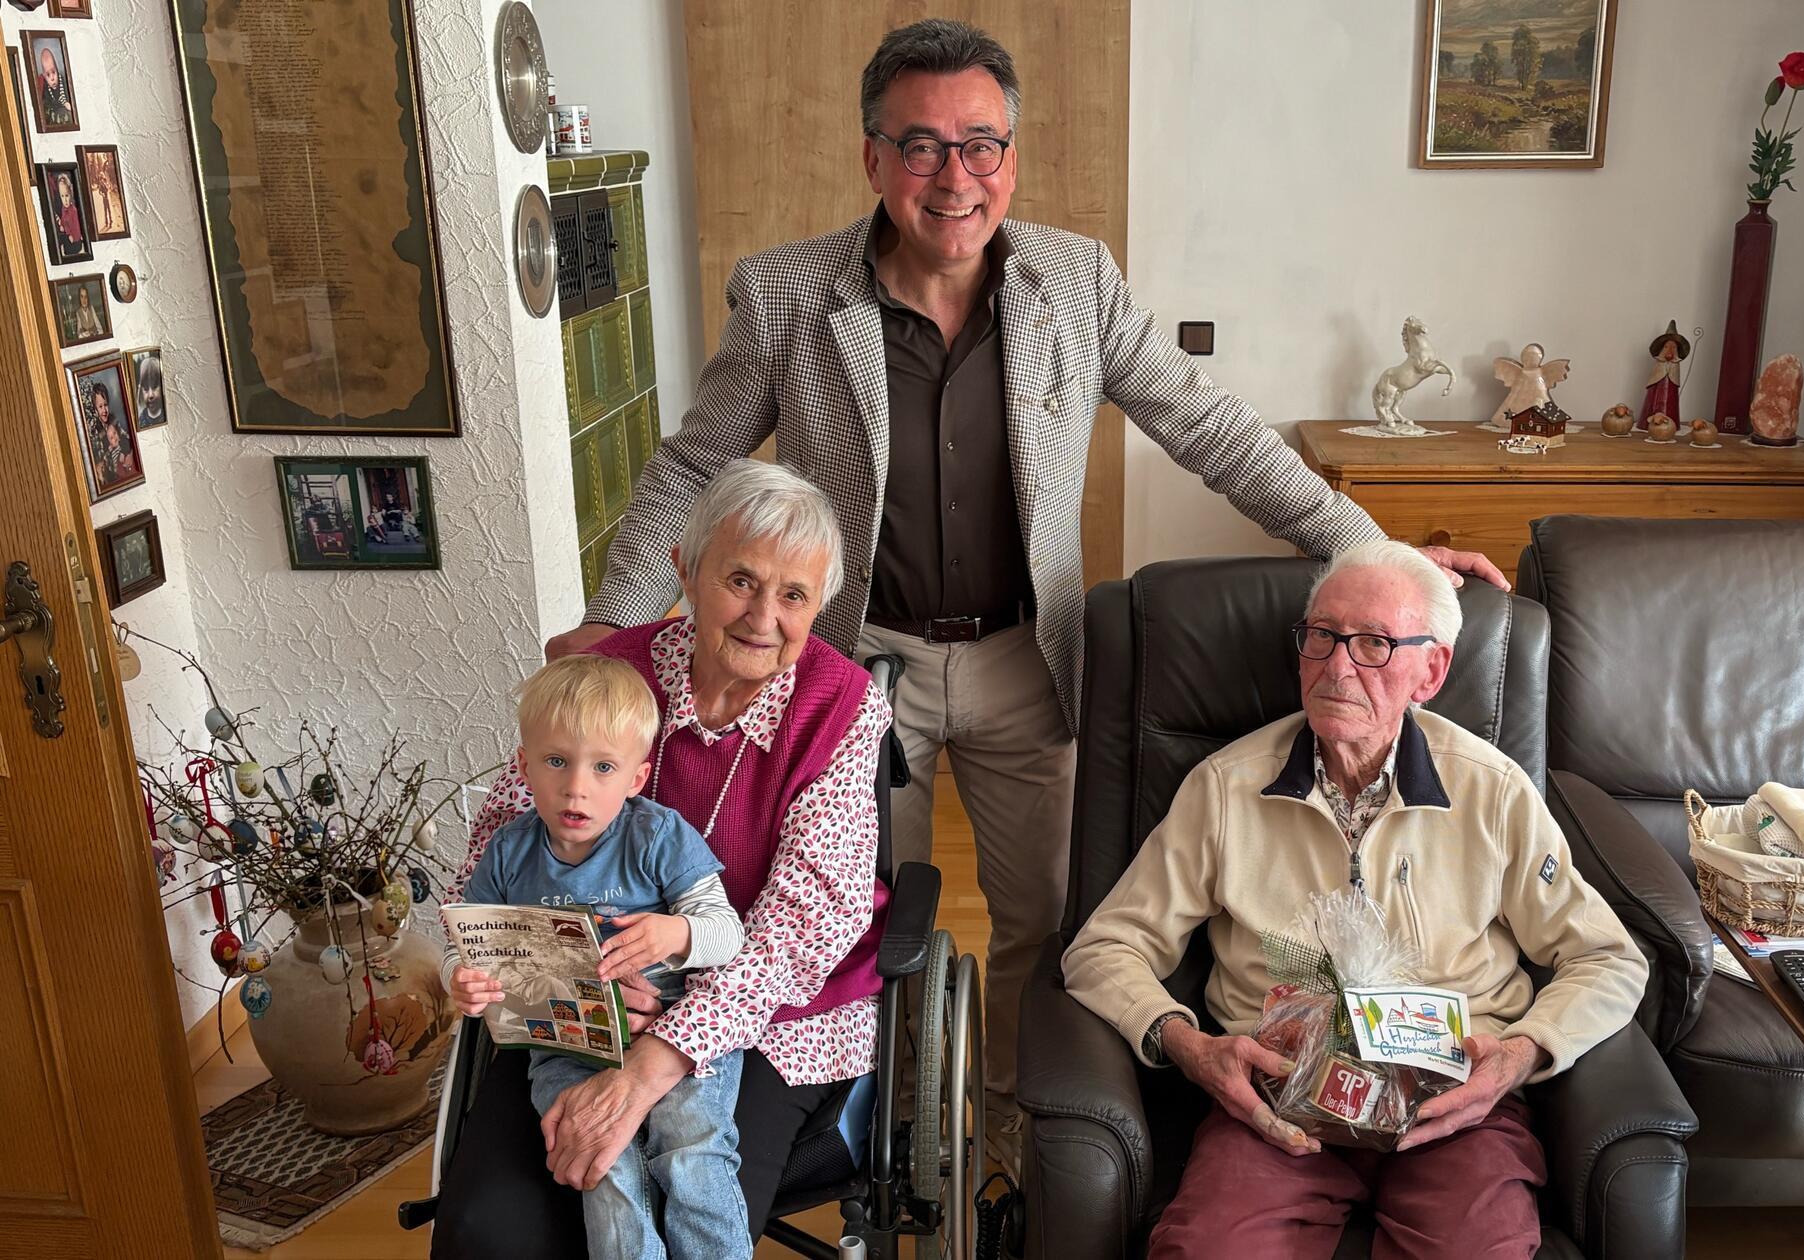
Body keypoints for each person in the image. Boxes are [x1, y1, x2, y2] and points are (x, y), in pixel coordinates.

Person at [537, 19, 1501, 1166]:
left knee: (1040, 918)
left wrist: (1377, 555)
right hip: (857, 664)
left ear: (1011, 155)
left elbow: (1206, 428)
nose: (954, 176)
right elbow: (694, 464)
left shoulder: (1074, 282)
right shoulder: (789, 293)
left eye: (980, 144)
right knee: (851, 920)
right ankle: (881, 1130)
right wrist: (613, 617)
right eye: (921, 145)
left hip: (1023, 661)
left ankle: (1005, 1129)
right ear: (872, 156)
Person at [1062, 541, 1648, 1257]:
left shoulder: (1492, 792)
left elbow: (1608, 958)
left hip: (1450, 1103)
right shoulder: (1225, 789)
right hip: (1279, 1100)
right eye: (1322, 636)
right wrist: (1189, 1046)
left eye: (1374, 644)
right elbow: (1104, 948)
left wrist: (1521, 1055)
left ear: (1431, 671)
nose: (1338, 666)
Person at [432, 460, 892, 1258]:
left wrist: (654, 1059)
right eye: (740, 581)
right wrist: (578, 989)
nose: (764, 617)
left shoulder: (841, 708)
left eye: (794, 595)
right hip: (578, 1002)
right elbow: (501, 848)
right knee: (490, 1233)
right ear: (685, 568)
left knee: (697, 1206)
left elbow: (801, 929)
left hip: (766, 1018)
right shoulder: (606, 677)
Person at [446, 654, 752, 1260]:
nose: (576, 787)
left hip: (673, 1028)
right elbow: (467, 947)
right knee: (602, 1167)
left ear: (636, 778)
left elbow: (729, 934)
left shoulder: (656, 835)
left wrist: (676, 933)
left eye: (603, 767)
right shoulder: (509, 852)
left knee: (690, 1147)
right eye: (556, 761)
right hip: (564, 1041)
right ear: (524, 766)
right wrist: (461, 982)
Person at [35, 46, 71, 130]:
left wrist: (67, 103)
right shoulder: (46, 88)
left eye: (53, 72)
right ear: (44, 76)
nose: (52, 78)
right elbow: (49, 103)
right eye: (48, 75)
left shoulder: (63, 82)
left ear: (57, 70)